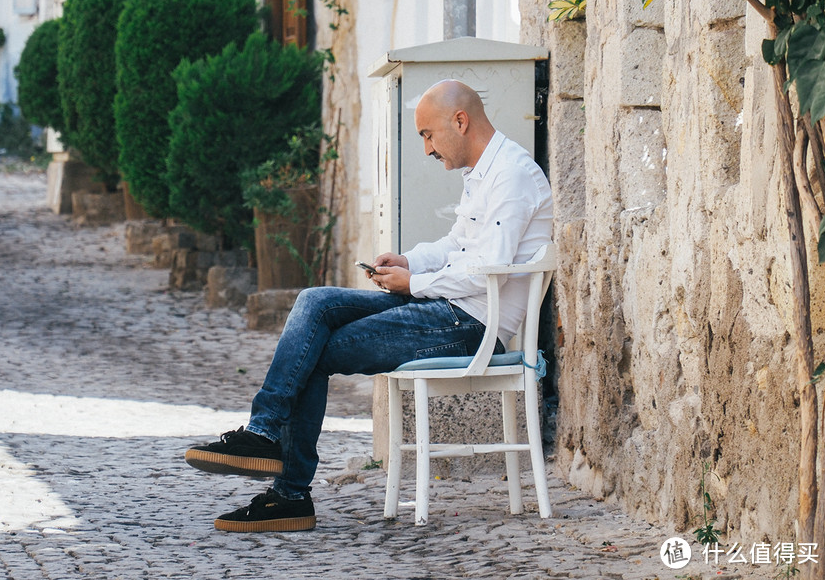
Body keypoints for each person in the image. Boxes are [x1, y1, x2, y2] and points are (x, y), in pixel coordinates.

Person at [185, 79, 554, 532]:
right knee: (314, 302)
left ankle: (289, 491)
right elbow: (457, 243)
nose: (426, 149)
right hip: (446, 308)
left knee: (313, 351)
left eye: (428, 135)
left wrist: (414, 283)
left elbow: (487, 267)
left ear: (460, 122)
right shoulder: (482, 171)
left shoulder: (511, 174)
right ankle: (264, 436)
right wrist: (407, 261)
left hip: (472, 325)